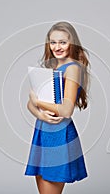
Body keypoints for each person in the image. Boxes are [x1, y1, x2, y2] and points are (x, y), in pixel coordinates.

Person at [25, 21, 90, 194]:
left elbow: (66, 110)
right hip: (43, 132)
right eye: (53, 42)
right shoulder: (51, 67)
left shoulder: (73, 68)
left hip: (59, 134)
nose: (57, 47)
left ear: (72, 43)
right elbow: (29, 104)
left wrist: (37, 103)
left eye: (63, 42)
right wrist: (41, 115)